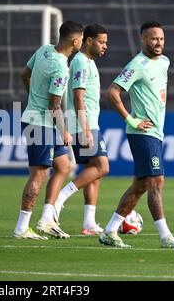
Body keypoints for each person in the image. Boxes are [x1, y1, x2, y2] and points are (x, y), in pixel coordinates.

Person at [101, 21, 174, 248]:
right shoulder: (137, 64)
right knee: (156, 181)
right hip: (143, 133)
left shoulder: (164, 62)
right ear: (143, 39)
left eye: (161, 38)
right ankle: (165, 236)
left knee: (139, 186)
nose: (158, 43)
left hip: (156, 132)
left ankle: (109, 231)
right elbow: (113, 92)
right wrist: (131, 119)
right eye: (153, 38)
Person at [12, 21, 84, 240]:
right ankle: (21, 227)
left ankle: (46, 220)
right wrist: (64, 131)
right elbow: (54, 106)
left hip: (39, 120)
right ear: (75, 41)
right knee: (39, 174)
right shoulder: (61, 67)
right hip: (41, 124)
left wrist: (33, 96)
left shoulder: (43, 50)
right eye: (81, 38)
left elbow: (25, 74)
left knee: (64, 165)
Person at [44, 24, 109, 236]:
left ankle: (89, 222)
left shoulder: (87, 61)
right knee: (102, 167)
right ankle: (61, 198)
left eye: (105, 42)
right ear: (88, 40)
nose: (104, 46)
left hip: (87, 122)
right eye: (101, 42)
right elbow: (78, 95)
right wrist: (86, 128)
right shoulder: (81, 62)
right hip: (83, 123)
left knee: (94, 173)